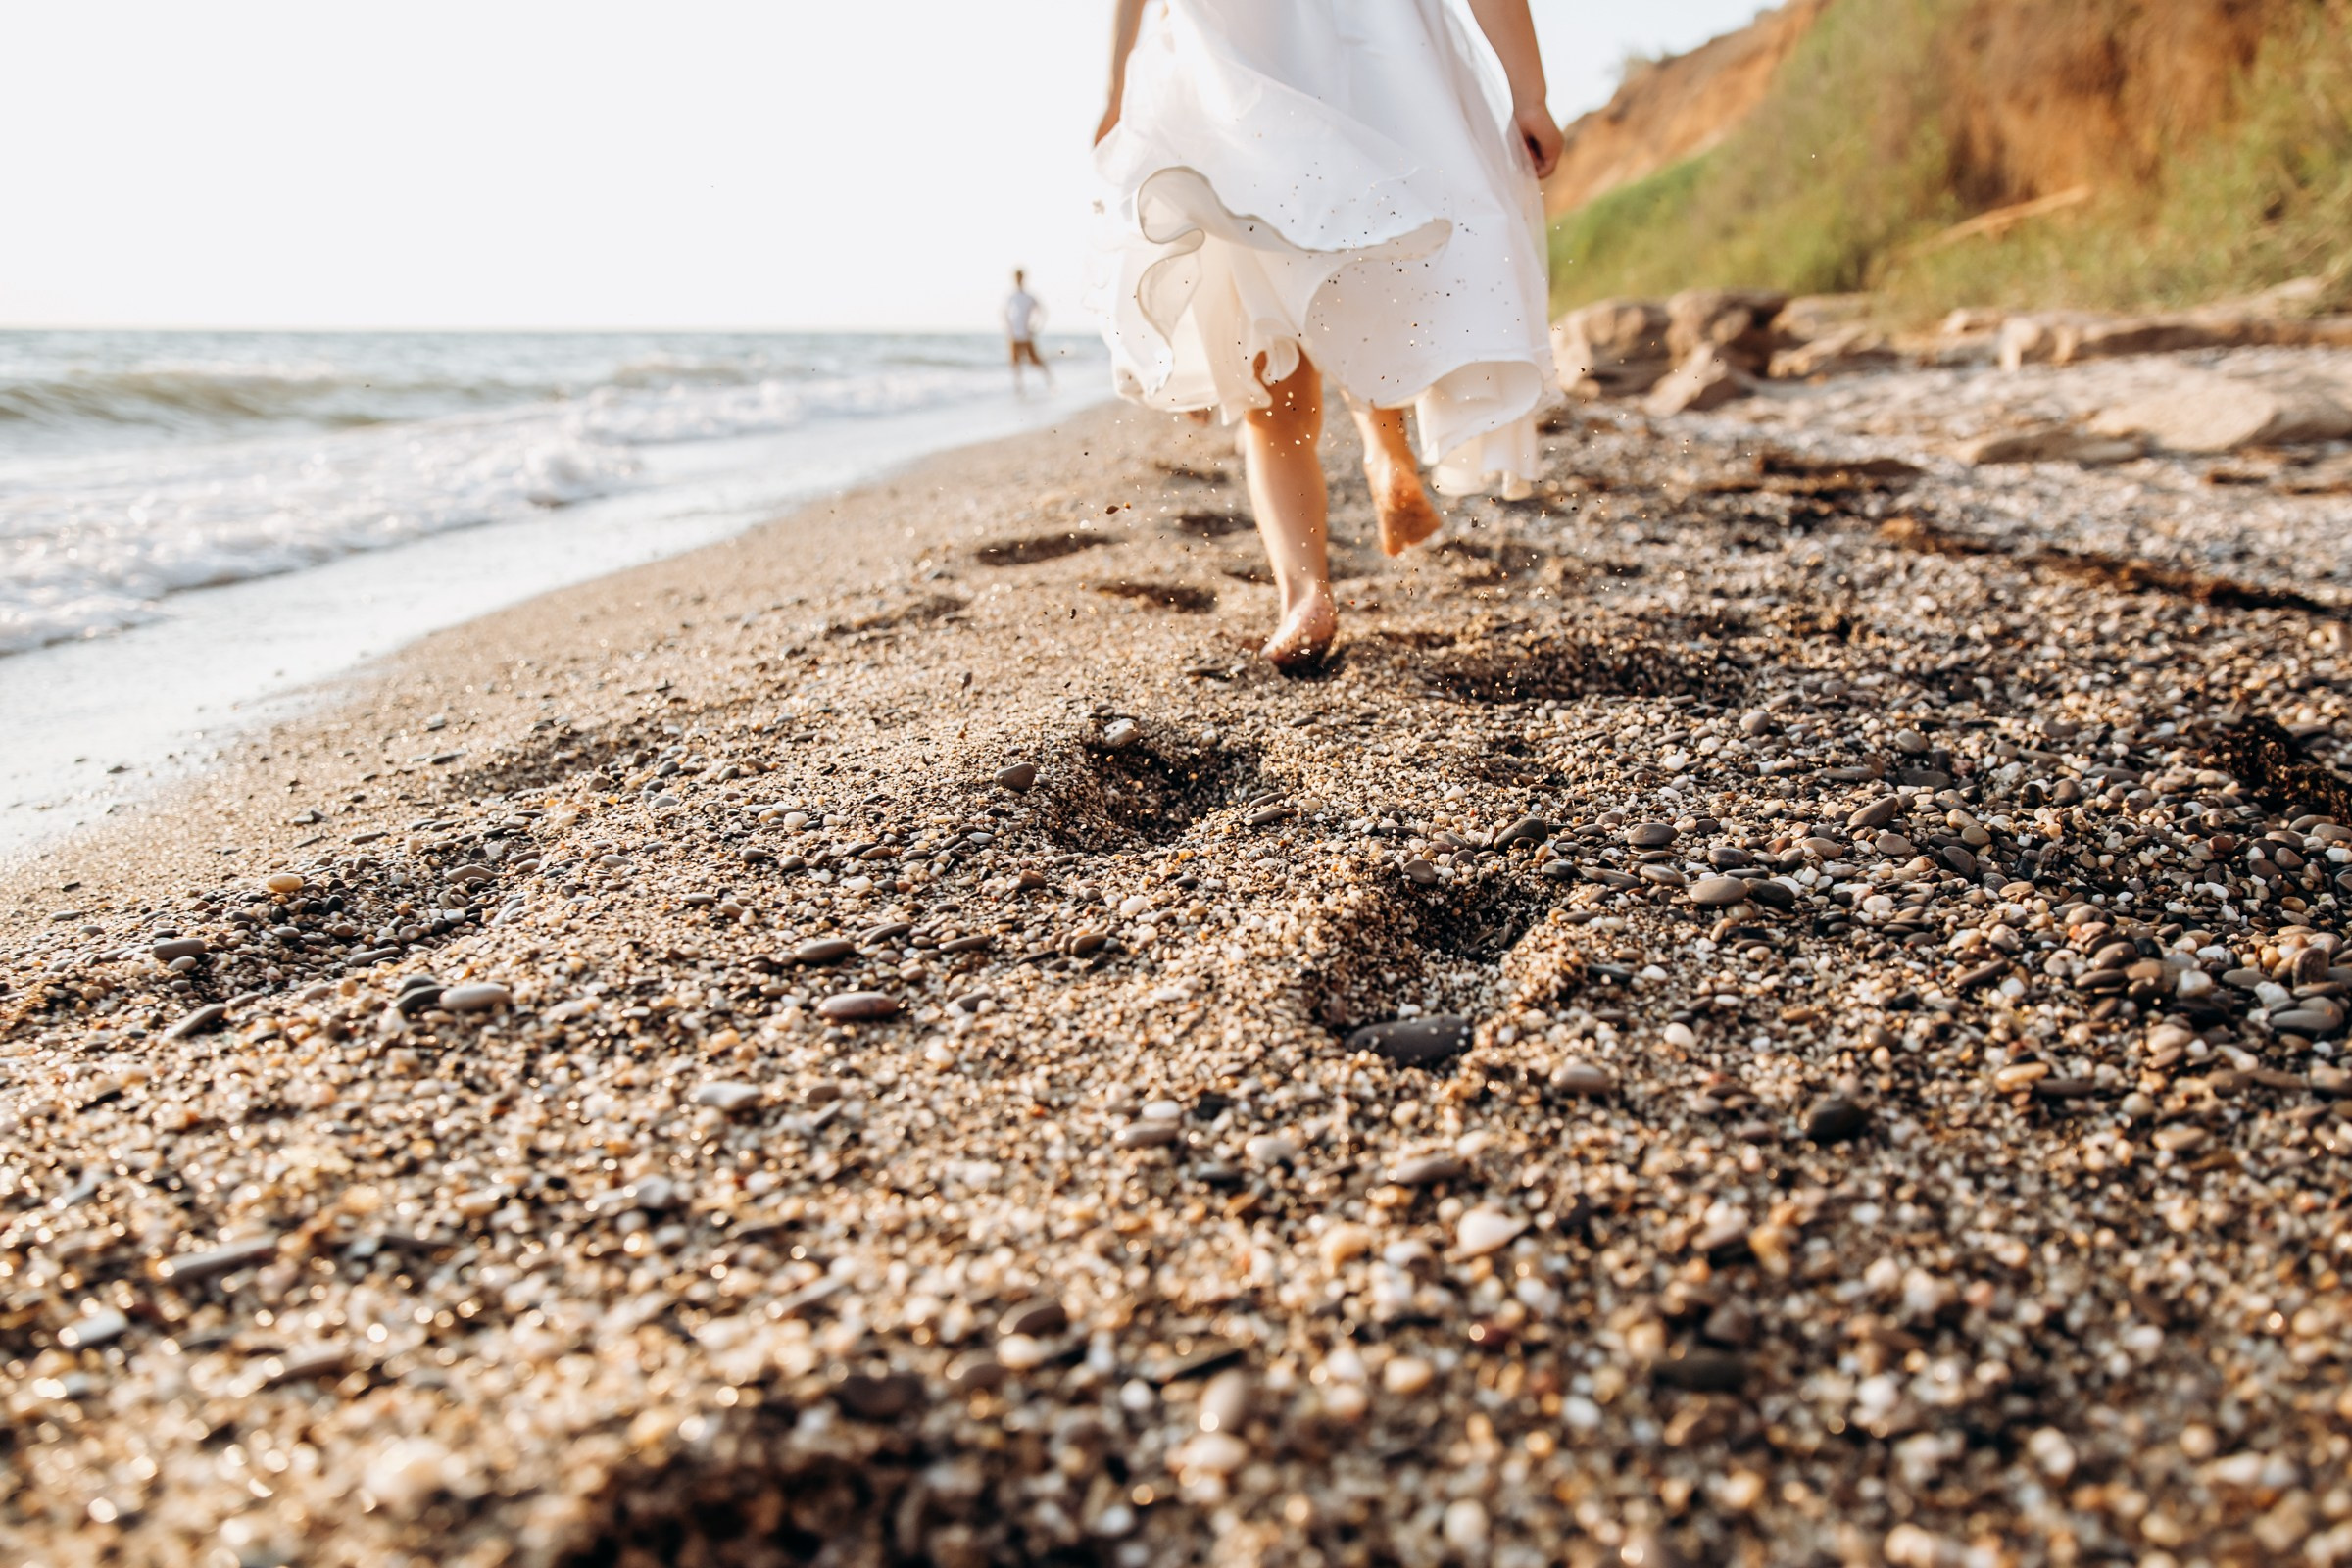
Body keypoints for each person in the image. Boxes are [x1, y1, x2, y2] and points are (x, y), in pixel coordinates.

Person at [1091, 0, 1562, 667]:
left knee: (1270, 367)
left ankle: (1305, 595)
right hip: (1372, 54)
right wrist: (1530, 92)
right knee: (1366, 261)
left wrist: (1116, 91)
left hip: (1231, 68)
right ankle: (1383, 446)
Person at [1005, 269, 1053, 389]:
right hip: (1013, 335)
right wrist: (1008, 328)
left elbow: (1042, 311)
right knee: (1015, 363)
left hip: (1026, 335)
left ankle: (1050, 383)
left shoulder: (1029, 297)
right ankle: (1019, 388)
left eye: (1020, 277)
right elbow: (1005, 314)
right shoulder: (1012, 296)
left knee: (1035, 360)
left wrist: (1036, 327)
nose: (1018, 280)